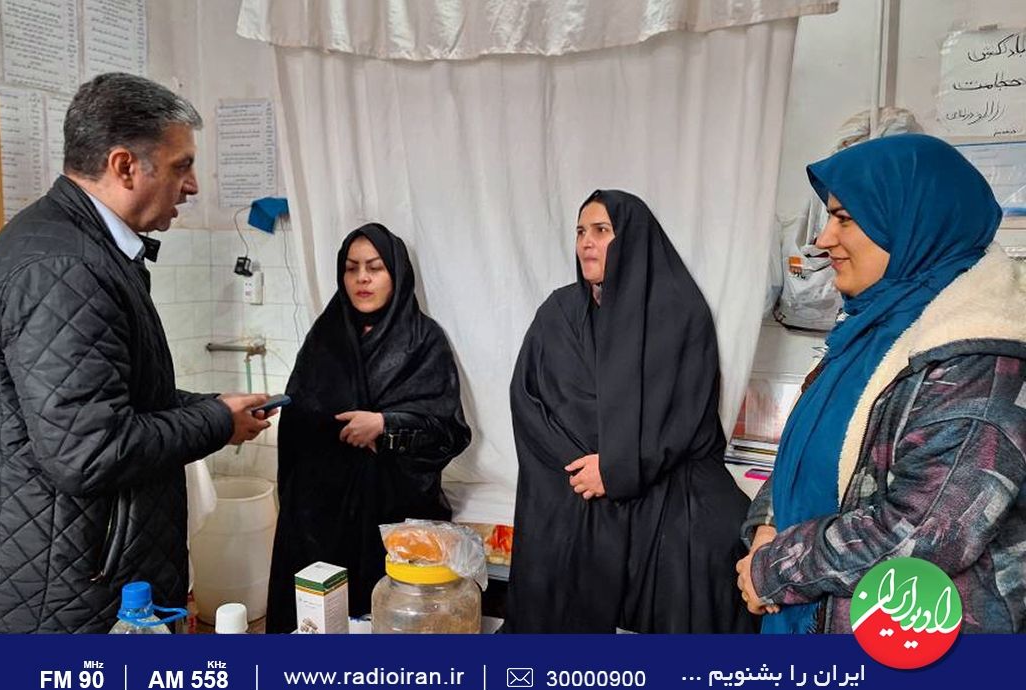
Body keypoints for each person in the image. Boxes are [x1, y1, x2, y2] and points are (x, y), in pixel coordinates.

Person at [0, 73, 273, 634]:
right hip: (52, 602)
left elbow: (107, 399)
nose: (193, 186)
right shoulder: (65, 268)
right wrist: (216, 422)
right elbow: (88, 450)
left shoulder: (78, 247)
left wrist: (211, 406)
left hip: (63, 578)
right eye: (181, 166)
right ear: (124, 166)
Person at [736, 134, 1026, 633]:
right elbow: (803, 453)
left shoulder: (976, 357)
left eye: (844, 219)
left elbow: (927, 530)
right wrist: (767, 524)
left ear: (910, 220)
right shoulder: (869, 330)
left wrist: (776, 566)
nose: (823, 239)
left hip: (908, 642)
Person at [505, 190, 756, 633]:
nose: (586, 242)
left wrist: (618, 468)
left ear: (633, 238)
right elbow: (527, 399)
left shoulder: (679, 312)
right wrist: (583, 467)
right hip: (573, 476)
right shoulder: (559, 313)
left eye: (601, 231)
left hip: (663, 470)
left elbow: (683, 414)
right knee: (557, 545)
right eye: (580, 232)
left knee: (707, 542)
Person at [265, 223, 471, 630]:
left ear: (396, 274)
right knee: (314, 625)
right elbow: (299, 420)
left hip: (389, 512)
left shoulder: (423, 341)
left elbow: (449, 430)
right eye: (351, 268)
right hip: (319, 514)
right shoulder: (325, 335)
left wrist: (384, 425)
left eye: (374, 268)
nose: (362, 278)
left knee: (380, 622)